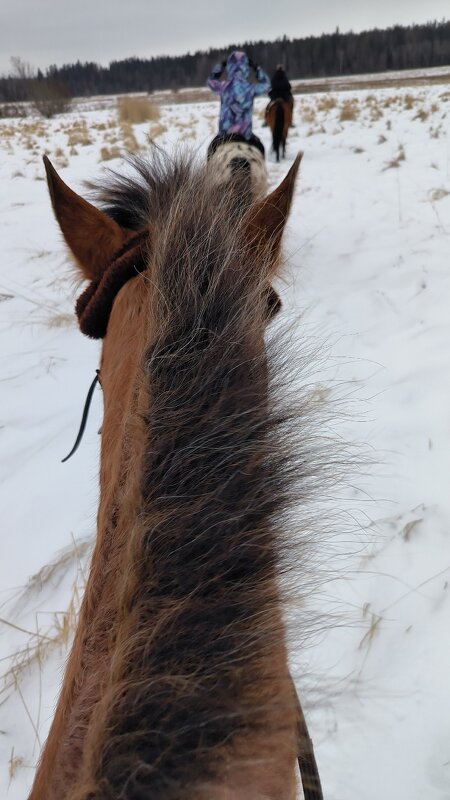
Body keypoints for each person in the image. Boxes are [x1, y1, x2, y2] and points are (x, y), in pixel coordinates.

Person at [207, 51, 270, 148]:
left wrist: (220, 67)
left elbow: (210, 81)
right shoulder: (250, 88)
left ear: (229, 67)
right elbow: (267, 84)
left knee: (211, 151)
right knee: (260, 149)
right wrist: (256, 68)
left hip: (224, 136)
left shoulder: (223, 87)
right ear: (246, 68)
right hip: (245, 136)